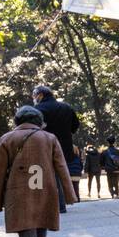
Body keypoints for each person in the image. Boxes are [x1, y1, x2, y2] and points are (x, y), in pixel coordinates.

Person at [0, 105, 76, 237]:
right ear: (39, 120)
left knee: (26, 232)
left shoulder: (7, 139)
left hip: (18, 192)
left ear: (17, 121)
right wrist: (69, 194)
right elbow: (61, 167)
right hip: (45, 189)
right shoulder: (49, 138)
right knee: (41, 225)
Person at [31, 85, 79, 213]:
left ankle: (58, 205)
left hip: (45, 146)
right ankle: (62, 203)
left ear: (40, 95)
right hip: (65, 147)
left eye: (34, 96)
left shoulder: (37, 109)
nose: (34, 98)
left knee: (50, 176)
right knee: (60, 174)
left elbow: (33, 129)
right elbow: (75, 126)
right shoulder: (66, 107)